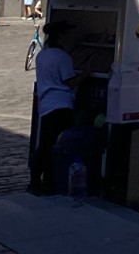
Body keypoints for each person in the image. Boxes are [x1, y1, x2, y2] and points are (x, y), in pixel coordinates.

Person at [29, 22, 85, 194]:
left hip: (46, 104)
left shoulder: (42, 55)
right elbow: (69, 81)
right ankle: (51, 181)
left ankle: (36, 179)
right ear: (61, 37)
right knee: (56, 146)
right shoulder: (63, 58)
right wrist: (86, 74)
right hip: (62, 105)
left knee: (45, 144)